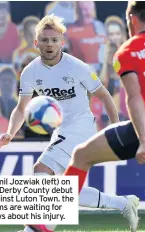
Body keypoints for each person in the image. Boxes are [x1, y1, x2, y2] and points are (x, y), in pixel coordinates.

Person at [0, 15, 138, 232]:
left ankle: (32, 229)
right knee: (67, 190)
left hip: (81, 125)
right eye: (44, 40)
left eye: (54, 40)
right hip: (61, 130)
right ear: (36, 43)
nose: (49, 44)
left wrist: (114, 125)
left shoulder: (77, 66)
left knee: (41, 169)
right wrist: (10, 132)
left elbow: (105, 95)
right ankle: (123, 203)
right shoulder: (30, 72)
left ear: (62, 42)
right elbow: (22, 108)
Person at [64, 2, 145, 232]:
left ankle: (40, 227)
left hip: (141, 126)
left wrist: (143, 140)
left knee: (80, 156)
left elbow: (134, 98)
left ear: (131, 19)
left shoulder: (129, 51)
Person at [66, 1, 107, 74]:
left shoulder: (100, 26)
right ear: (77, 8)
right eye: (83, 6)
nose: (87, 10)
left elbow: (106, 51)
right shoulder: (69, 29)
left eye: (89, 5)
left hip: (101, 72)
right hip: (79, 72)